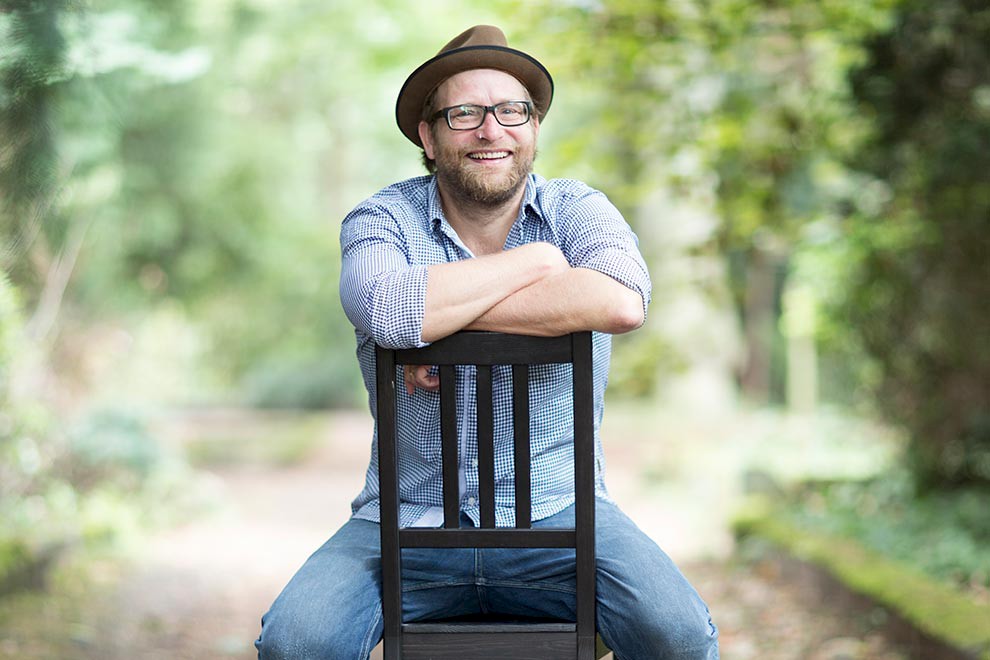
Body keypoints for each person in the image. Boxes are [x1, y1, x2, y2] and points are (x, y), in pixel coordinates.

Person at [255, 25, 719, 660]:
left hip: (563, 520)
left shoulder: (580, 209)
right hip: (401, 523)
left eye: (511, 111)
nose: (490, 130)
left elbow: (619, 300)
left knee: (681, 637)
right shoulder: (381, 219)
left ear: (532, 127)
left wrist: (440, 321)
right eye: (464, 113)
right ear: (429, 135)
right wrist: (541, 264)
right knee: (295, 642)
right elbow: (389, 312)